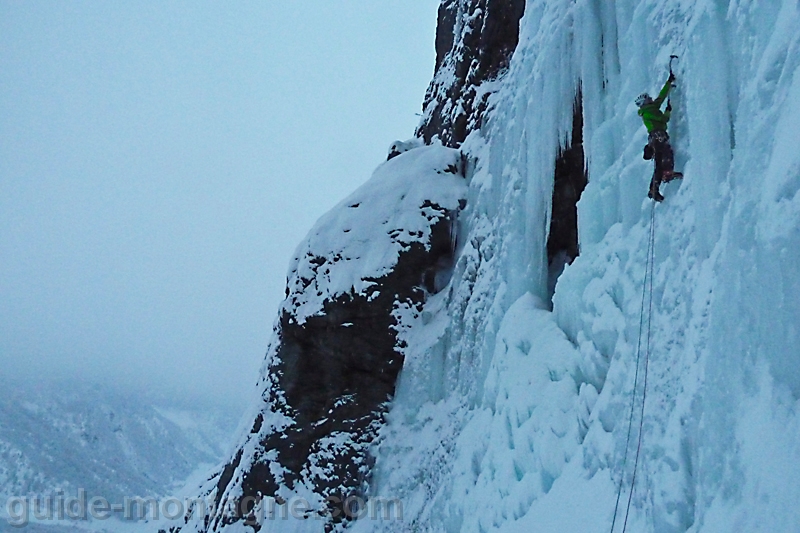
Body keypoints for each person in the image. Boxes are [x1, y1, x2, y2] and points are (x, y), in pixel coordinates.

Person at [636, 73, 683, 202]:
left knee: (659, 161)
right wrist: (668, 111)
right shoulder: (648, 112)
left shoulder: (651, 108)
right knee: (666, 152)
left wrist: (668, 82)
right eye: (648, 98)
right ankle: (667, 173)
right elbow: (663, 118)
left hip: (654, 137)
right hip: (658, 135)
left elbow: (661, 97)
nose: (651, 98)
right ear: (645, 102)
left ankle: (654, 189)